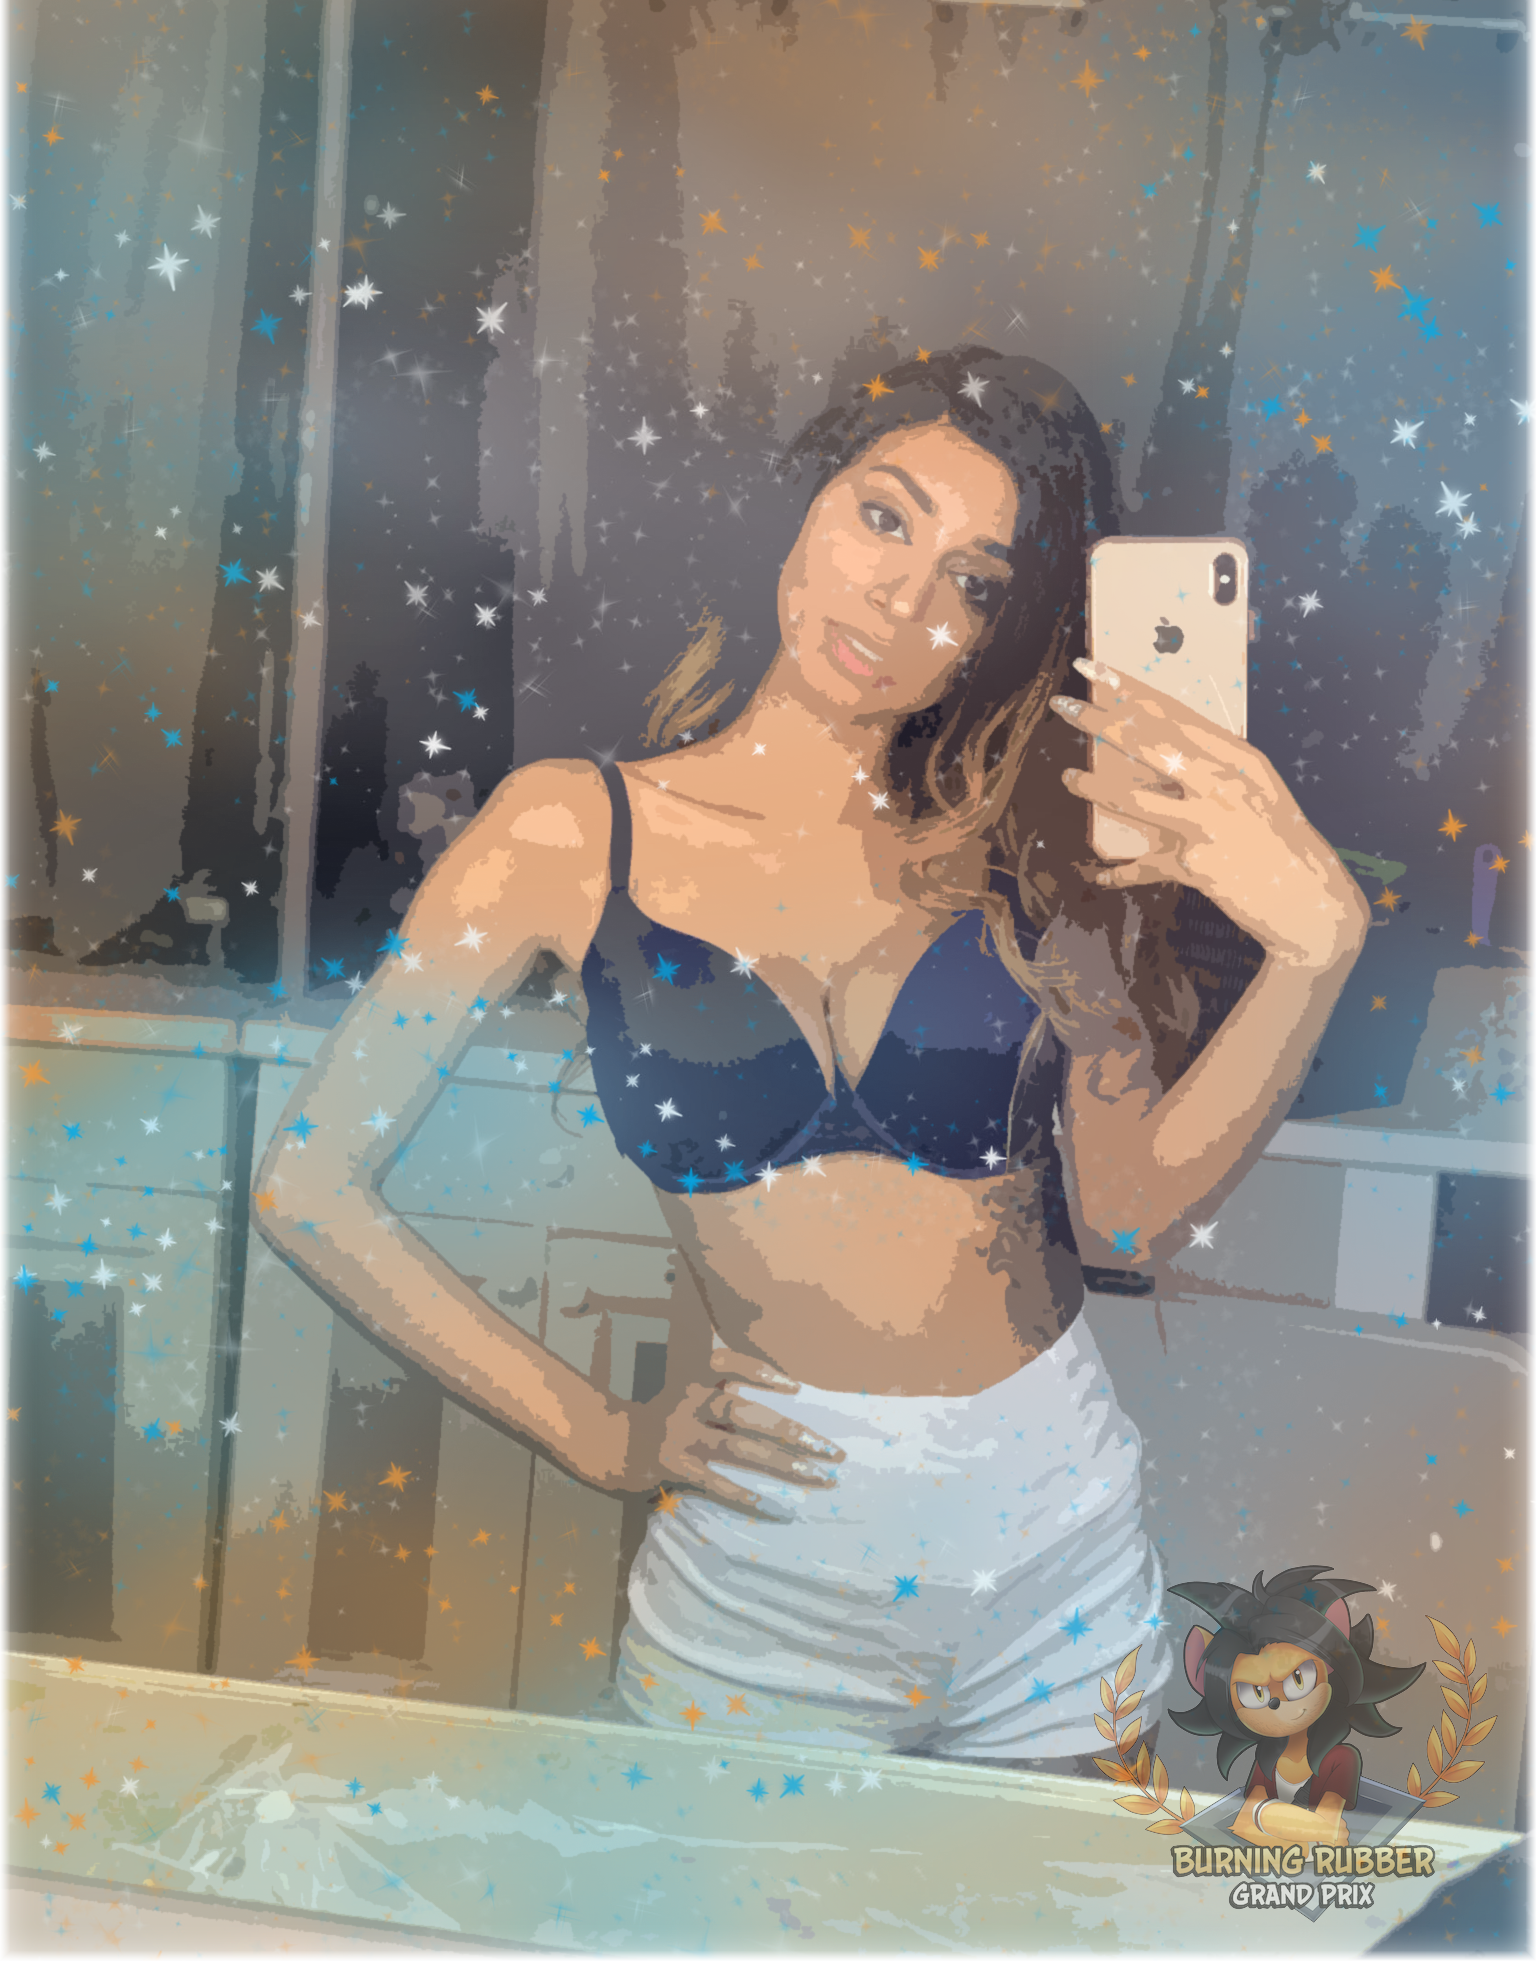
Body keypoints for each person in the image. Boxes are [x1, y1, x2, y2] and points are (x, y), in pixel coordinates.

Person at [254, 347, 1371, 1771]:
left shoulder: (1031, 843)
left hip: (1058, 1557)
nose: (902, 601)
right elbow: (307, 1183)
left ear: (1002, 630)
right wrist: (596, 1435)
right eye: (884, 516)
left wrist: (1318, 949)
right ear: (801, 509)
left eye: (975, 582)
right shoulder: (564, 833)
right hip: (764, 1579)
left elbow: (1128, 1214)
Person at [1169, 1564, 1425, 1845]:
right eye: (1254, 1693)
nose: (1276, 1702)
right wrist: (1295, 1836)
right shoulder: (1266, 1761)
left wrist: (1264, 1816)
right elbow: (1243, 1826)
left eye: (1297, 1680)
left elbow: (1328, 1830)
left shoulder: (1340, 1759)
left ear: (1329, 1667)